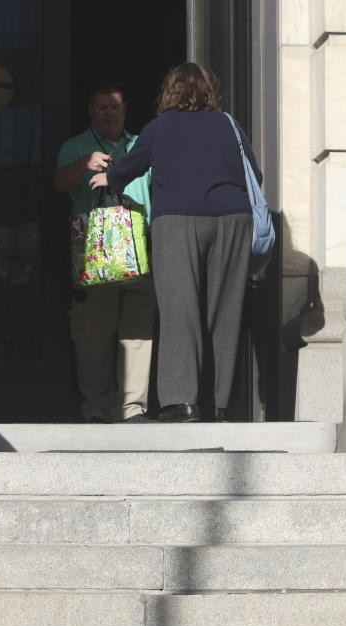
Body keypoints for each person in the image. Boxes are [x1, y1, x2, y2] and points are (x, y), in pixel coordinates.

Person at [90, 63, 262, 423]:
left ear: (170, 92)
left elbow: (131, 165)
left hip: (179, 221)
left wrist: (109, 176)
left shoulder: (161, 126)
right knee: (225, 313)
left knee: (179, 310)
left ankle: (181, 403)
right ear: (207, 91)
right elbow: (255, 173)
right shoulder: (228, 123)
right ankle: (218, 405)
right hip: (233, 221)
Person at [54, 83, 156, 423]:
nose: (109, 113)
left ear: (125, 109)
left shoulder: (142, 145)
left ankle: (132, 410)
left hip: (140, 252)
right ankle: (97, 410)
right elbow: (59, 184)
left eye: (115, 107)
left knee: (138, 334)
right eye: (102, 108)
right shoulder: (76, 147)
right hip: (94, 257)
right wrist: (85, 164)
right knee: (94, 337)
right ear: (91, 111)